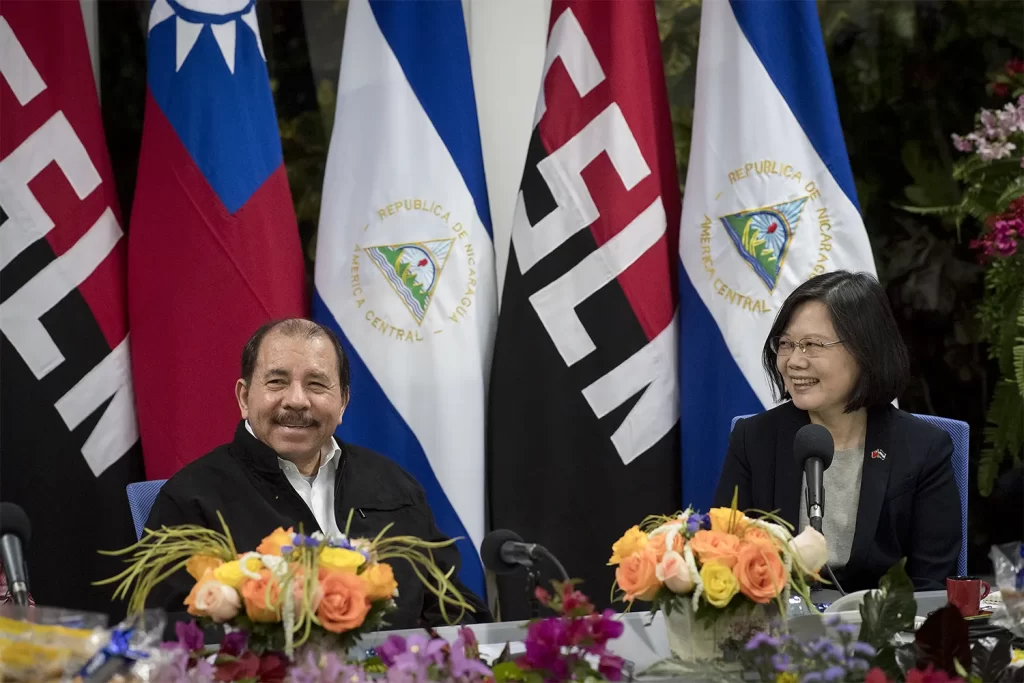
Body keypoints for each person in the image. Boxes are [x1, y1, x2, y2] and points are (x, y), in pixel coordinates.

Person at [144, 318, 490, 629]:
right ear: (245, 397)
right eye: (277, 382)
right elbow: (166, 631)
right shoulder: (191, 497)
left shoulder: (394, 485)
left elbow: (456, 607)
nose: (296, 400)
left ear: (343, 402)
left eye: (316, 384)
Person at [714, 271, 961, 591]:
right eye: (786, 344)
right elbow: (723, 556)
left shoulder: (923, 448)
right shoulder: (754, 439)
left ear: (865, 351)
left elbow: (933, 585)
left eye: (812, 345)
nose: (793, 362)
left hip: (884, 631)